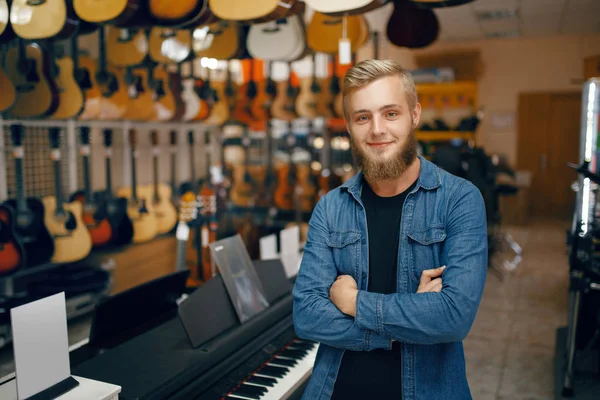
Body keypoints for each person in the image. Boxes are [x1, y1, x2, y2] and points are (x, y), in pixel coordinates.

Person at [292, 60, 488, 399]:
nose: (377, 129)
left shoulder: (459, 200)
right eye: (363, 117)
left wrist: (352, 302)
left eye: (391, 114)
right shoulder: (330, 208)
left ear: (415, 114)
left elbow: (453, 317)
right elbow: (307, 317)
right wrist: (402, 326)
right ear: (350, 127)